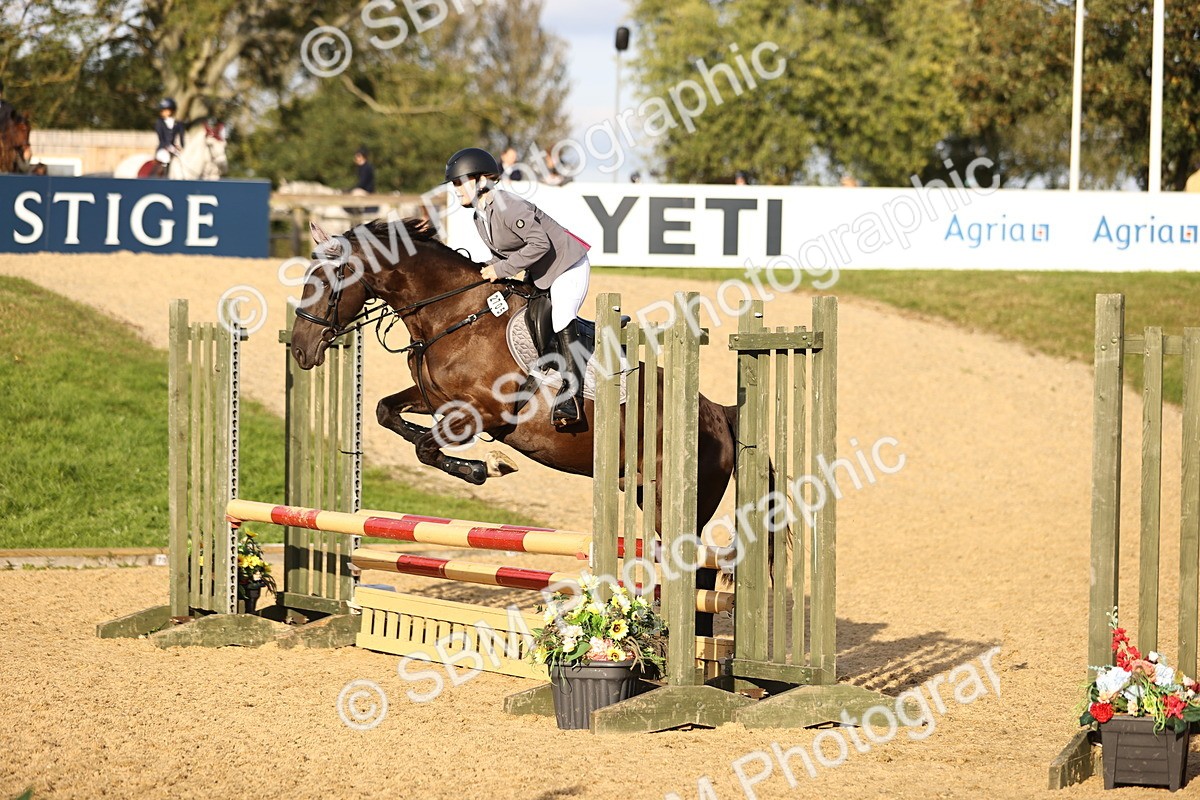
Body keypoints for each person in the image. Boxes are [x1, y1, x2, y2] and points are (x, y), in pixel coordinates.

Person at [445, 147, 591, 429]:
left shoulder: (509, 206)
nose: (456, 191)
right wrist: (477, 272)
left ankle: (571, 396)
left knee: (561, 317)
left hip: (568, 266)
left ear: (481, 180)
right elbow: (503, 254)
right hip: (539, 274)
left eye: (459, 183)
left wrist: (499, 270)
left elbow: (540, 244)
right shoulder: (479, 216)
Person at [154, 98, 185, 177]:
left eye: (167, 110)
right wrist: (169, 147)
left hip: (174, 148)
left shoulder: (178, 123)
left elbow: (182, 138)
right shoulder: (159, 122)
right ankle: (165, 177)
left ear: (173, 111)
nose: (165, 112)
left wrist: (182, 147)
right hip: (163, 148)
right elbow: (161, 138)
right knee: (166, 158)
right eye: (163, 110)